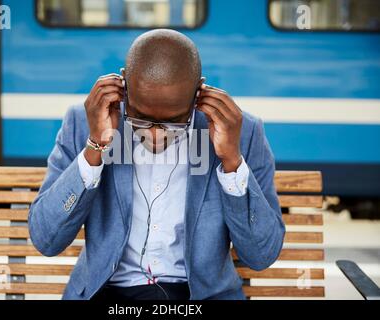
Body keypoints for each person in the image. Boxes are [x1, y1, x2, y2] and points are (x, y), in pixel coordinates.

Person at [28, 29, 285, 300]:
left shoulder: (241, 132)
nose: (156, 135)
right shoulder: (84, 122)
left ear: (198, 94)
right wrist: (96, 147)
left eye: (174, 122)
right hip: (109, 293)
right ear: (124, 86)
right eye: (140, 119)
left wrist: (232, 161)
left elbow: (261, 255)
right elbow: (47, 239)